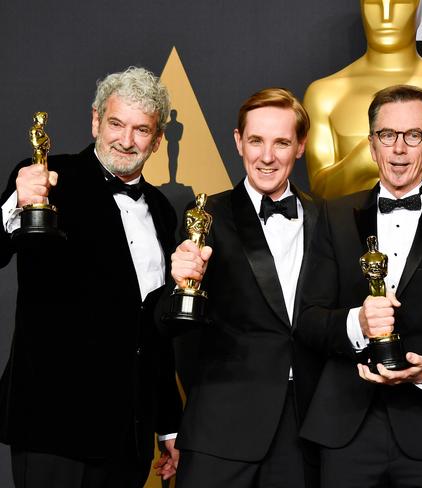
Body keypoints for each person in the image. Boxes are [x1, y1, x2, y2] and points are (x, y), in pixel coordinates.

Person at [297, 84, 422, 488]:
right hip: (346, 430)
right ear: (372, 145)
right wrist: (358, 324)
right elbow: (309, 319)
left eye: (413, 136)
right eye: (388, 135)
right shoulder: (333, 216)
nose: (399, 149)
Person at [0, 66, 183, 488]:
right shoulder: (45, 180)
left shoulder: (161, 209)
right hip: (54, 433)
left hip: (128, 439)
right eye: (116, 123)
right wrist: (14, 206)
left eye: (141, 130)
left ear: (157, 140)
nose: (125, 140)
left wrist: (168, 425)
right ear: (95, 120)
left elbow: (153, 331)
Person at [160, 87, 322, 488]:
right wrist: (178, 282)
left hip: (304, 431)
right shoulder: (205, 216)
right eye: (256, 141)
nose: (267, 157)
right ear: (238, 142)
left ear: (300, 146)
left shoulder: (327, 219)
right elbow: (173, 324)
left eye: (281, 142)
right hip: (221, 427)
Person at [304, 0, 422, 200]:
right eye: (373, 4)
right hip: (347, 229)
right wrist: (364, 159)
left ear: (418, 9)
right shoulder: (324, 95)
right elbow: (320, 192)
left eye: (400, 3)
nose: (386, 16)